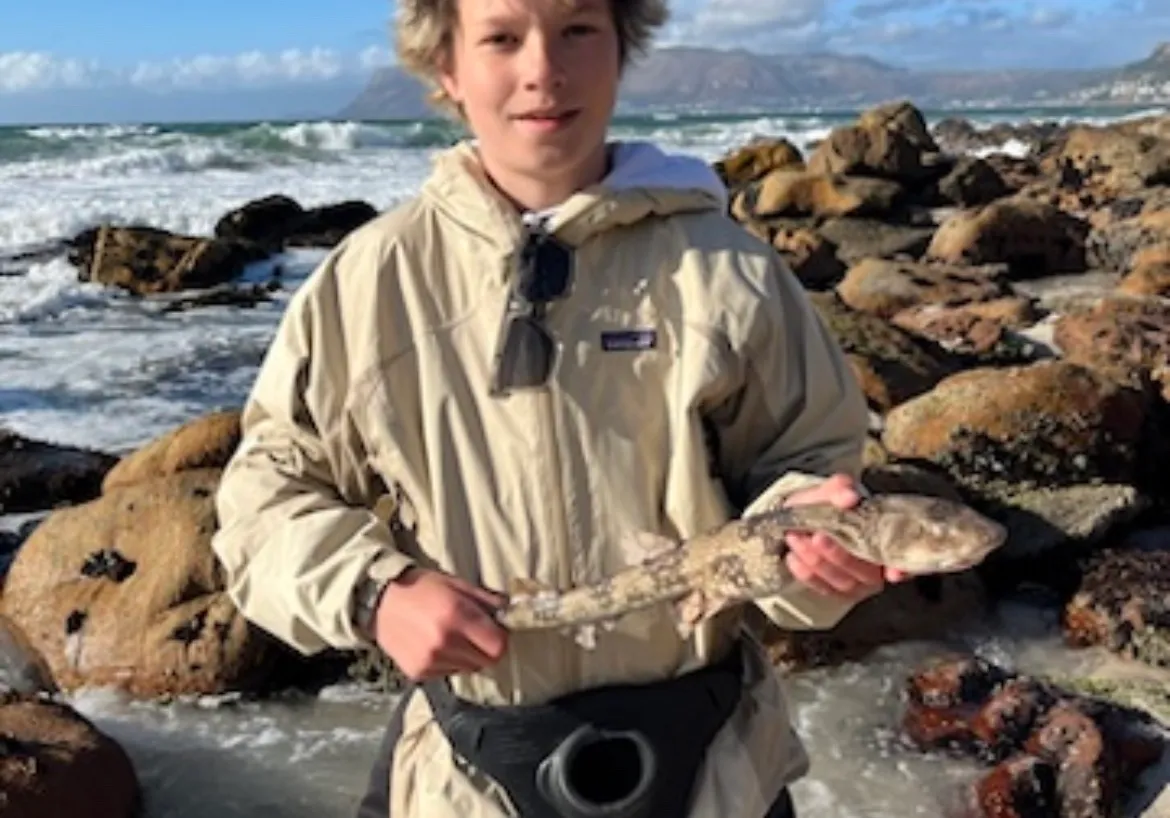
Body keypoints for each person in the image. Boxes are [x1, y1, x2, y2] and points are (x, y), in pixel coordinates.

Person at [210, 0, 911, 816]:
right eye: (502, 38)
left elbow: (806, 471)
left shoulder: (730, 273)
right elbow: (263, 498)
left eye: (578, 30)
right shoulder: (370, 283)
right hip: (467, 777)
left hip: (713, 773)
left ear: (621, 49)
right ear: (448, 66)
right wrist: (374, 591)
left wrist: (819, 551)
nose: (544, 68)